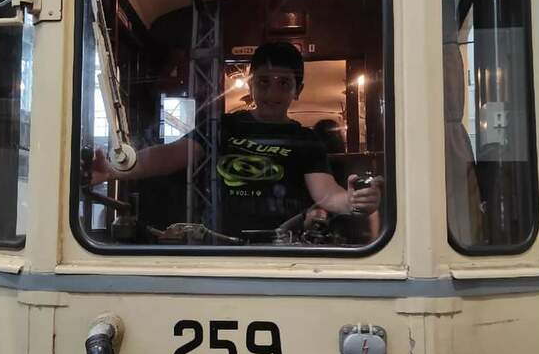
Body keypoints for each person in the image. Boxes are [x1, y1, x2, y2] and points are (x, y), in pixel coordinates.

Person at [89, 41, 382, 238]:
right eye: (264, 82)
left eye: (284, 83)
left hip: (283, 252)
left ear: (298, 90)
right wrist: (116, 169)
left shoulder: (306, 141)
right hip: (219, 248)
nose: (273, 93)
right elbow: (171, 154)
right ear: (251, 85)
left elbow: (327, 194)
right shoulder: (222, 126)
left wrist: (354, 202)